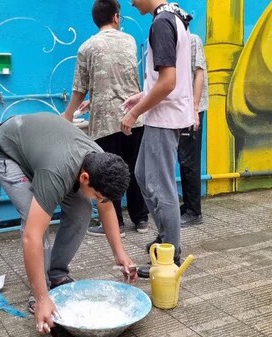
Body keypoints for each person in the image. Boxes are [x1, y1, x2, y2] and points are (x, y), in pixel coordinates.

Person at [0, 112, 138, 334]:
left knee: (81, 209)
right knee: (34, 220)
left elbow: (106, 206)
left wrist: (120, 254)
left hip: (45, 152)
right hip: (9, 153)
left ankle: (56, 273)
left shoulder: (100, 161)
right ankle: (41, 294)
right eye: (98, 195)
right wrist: (41, 297)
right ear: (85, 178)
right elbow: (32, 236)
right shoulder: (56, 173)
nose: (101, 201)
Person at [62, 0, 149, 238]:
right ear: (116, 17)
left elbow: (80, 88)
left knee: (107, 174)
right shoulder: (130, 41)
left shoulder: (86, 48)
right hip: (134, 117)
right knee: (133, 171)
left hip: (105, 123)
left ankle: (115, 224)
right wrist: (97, 97)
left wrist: (68, 115)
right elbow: (120, 78)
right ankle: (141, 219)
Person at [120, 1, 194, 278]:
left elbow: (168, 82)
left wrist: (135, 113)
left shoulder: (161, 23)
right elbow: (168, 80)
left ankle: (170, 254)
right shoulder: (174, 17)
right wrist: (141, 97)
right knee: (141, 174)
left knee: (160, 186)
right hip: (166, 115)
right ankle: (165, 238)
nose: (131, 2)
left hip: (163, 119)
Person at [179, 33, 209, 226]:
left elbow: (199, 73)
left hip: (191, 110)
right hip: (182, 110)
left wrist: (195, 109)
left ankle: (194, 211)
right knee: (183, 157)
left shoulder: (192, 40)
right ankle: (188, 204)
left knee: (189, 159)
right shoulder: (178, 41)